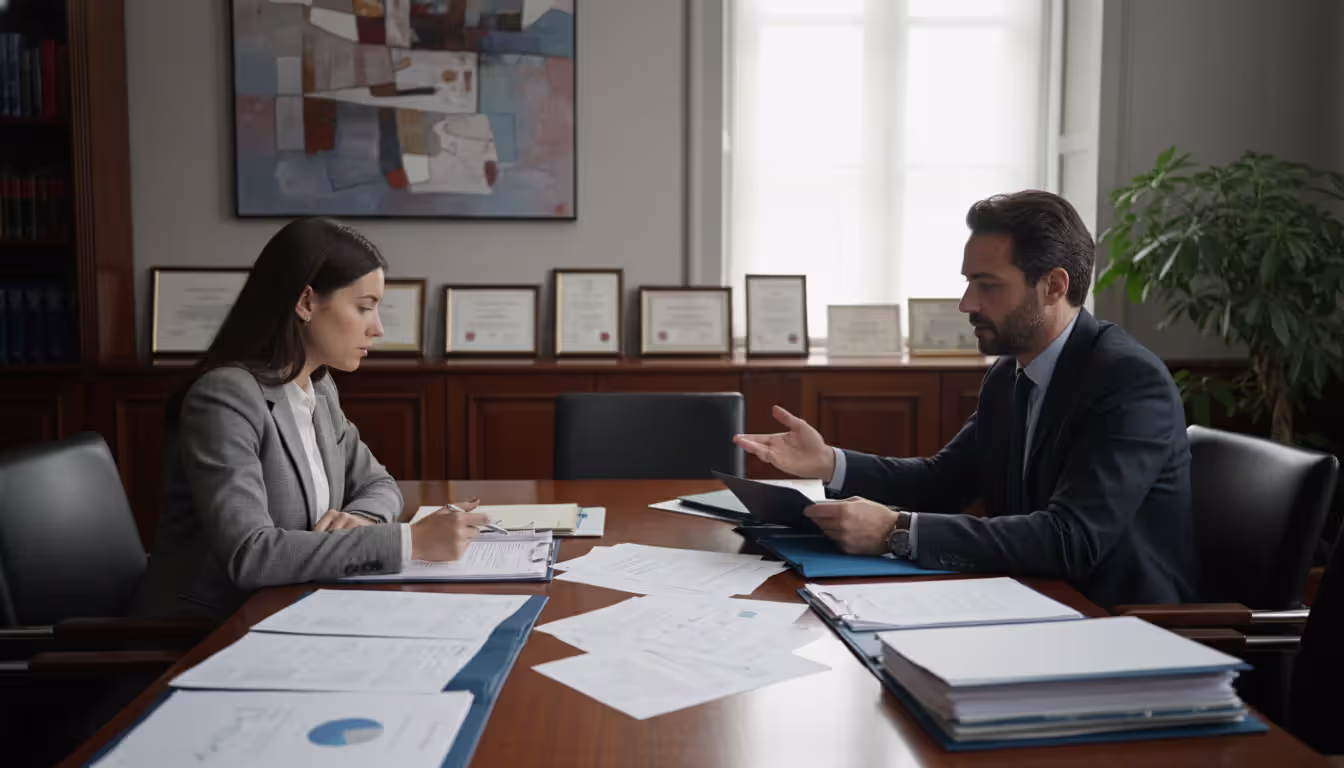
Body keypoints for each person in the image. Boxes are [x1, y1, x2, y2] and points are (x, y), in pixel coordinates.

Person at [736, 191, 1197, 607]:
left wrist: (897, 532)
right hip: (1027, 600)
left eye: (987, 285)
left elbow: (1070, 538)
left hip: (1113, 623)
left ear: (1054, 286)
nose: (966, 304)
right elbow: (943, 481)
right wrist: (830, 462)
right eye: (968, 282)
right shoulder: (1009, 375)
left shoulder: (1128, 382)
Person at [136, 218, 487, 617]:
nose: (378, 328)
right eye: (364, 307)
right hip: (212, 633)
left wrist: (360, 519)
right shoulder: (225, 397)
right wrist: (410, 542)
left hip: (299, 610)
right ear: (305, 303)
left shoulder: (317, 389)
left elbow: (380, 484)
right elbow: (251, 554)